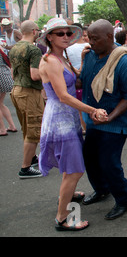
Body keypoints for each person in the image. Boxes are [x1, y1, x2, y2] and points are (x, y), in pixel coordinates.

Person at [36, 17, 108, 231]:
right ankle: (62, 218)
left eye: (68, 33)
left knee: (71, 166)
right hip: (60, 121)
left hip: (67, 119)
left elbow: (75, 80)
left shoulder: (62, 57)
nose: (66, 37)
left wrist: (85, 61)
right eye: (60, 34)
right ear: (49, 37)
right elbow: (63, 96)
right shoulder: (50, 60)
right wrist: (93, 110)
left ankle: (67, 194)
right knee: (75, 170)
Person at [79, 19, 127, 220]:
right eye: (89, 38)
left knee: (108, 162)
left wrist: (109, 118)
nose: (91, 42)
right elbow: (83, 81)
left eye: (95, 38)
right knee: (89, 157)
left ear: (108, 37)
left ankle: (125, 199)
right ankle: (102, 189)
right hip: (94, 119)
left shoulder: (124, 62)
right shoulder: (90, 56)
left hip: (115, 122)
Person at [9, 20, 43, 179]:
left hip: (16, 89)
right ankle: (25, 168)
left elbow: (12, 73)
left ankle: (32, 158)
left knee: (26, 126)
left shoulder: (14, 47)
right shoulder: (33, 49)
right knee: (34, 128)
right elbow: (35, 74)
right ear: (35, 31)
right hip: (29, 91)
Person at [0, 45, 17, 136]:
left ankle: (2, 129)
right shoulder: (0, 48)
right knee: (1, 103)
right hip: (5, 75)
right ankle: (12, 125)